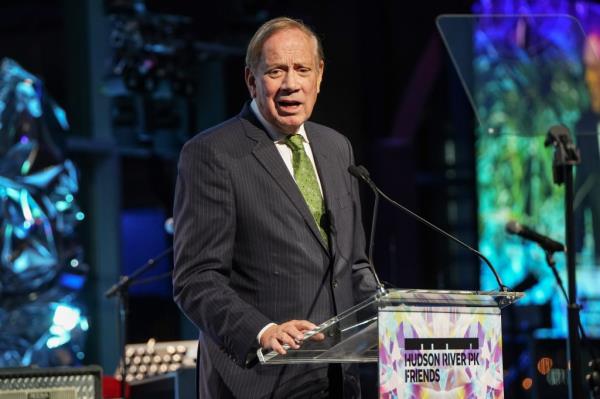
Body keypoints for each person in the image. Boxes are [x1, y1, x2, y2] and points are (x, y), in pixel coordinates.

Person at [172, 16, 378, 398]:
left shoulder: (337, 149)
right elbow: (196, 279)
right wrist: (263, 331)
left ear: (319, 76)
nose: (290, 84)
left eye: (302, 69)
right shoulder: (212, 154)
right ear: (252, 79)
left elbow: (354, 265)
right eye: (276, 71)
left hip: (338, 382)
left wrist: (396, 315)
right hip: (259, 380)